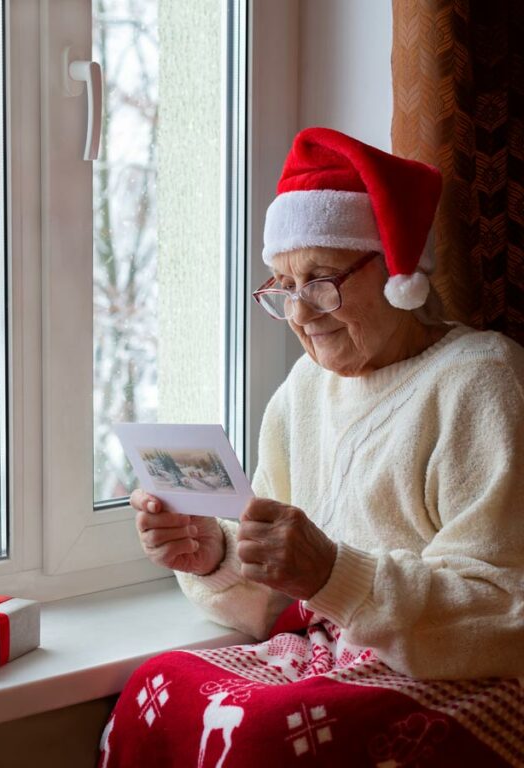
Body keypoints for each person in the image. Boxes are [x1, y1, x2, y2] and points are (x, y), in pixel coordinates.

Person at [99, 128, 524, 768]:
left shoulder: (482, 380)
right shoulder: (304, 388)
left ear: (397, 273)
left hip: (455, 675)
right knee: (154, 686)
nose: (300, 313)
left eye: (322, 281)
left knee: (266, 738)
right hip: (324, 655)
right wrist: (214, 552)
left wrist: (332, 574)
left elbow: (504, 608)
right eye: (281, 286)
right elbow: (282, 583)